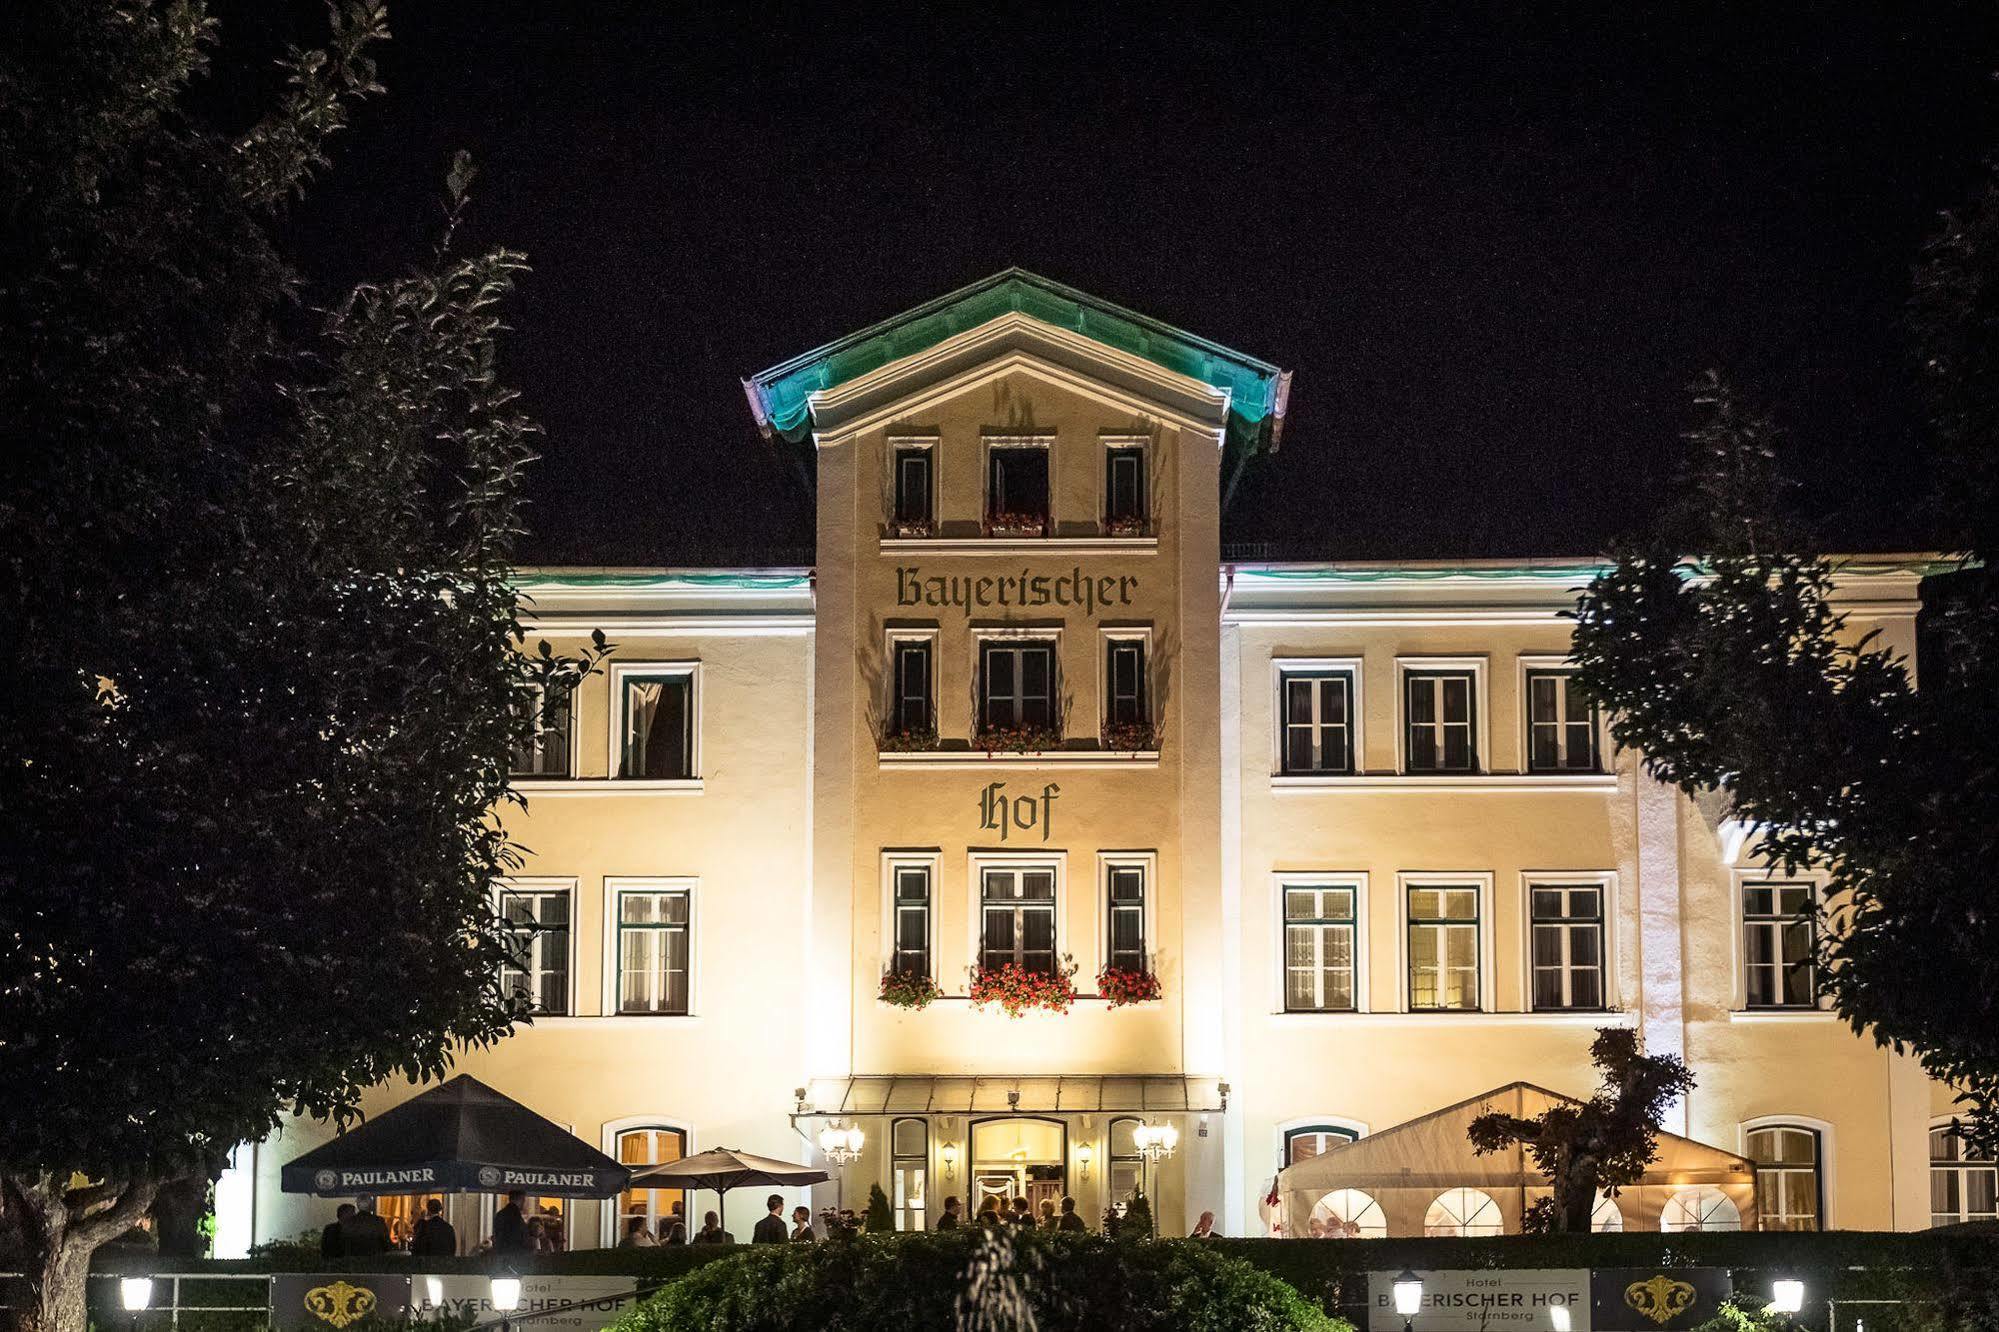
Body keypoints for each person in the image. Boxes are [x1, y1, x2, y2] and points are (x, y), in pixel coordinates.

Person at [491, 1190, 531, 1256]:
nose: (524, 1203)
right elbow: (518, 1236)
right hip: (514, 1255)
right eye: (524, 1200)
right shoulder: (515, 1215)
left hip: (502, 1254)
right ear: (521, 1199)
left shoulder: (500, 1214)